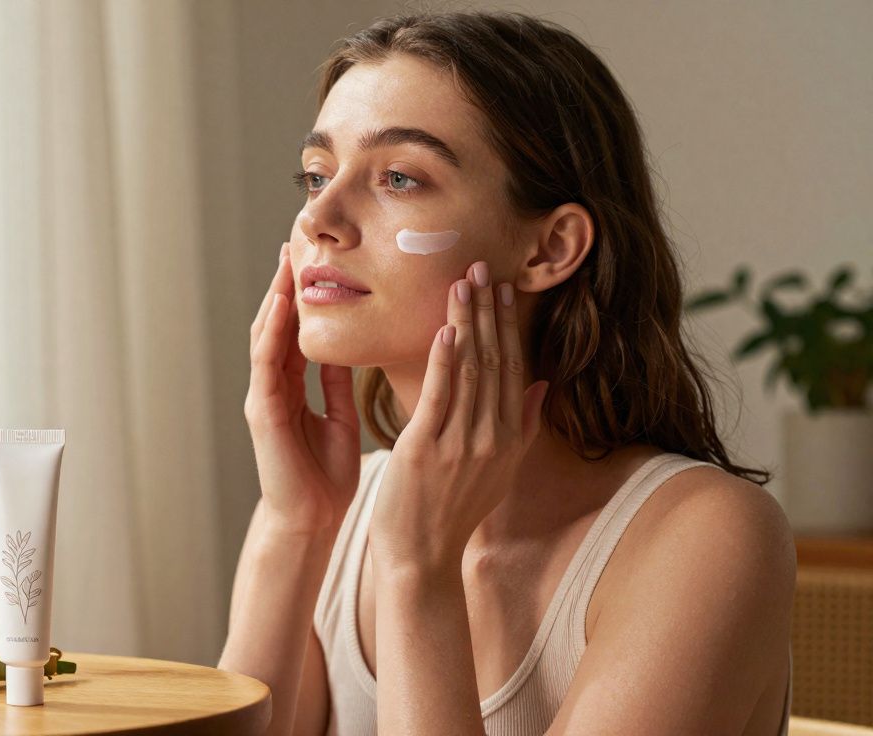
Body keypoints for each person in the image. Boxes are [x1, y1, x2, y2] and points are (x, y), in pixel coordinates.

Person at [218, 11, 795, 736]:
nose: (319, 220)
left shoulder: (702, 536)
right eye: (315, 175)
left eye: (399, 177)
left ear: (551, 247)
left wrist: (419, 573)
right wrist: (292, 526)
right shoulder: (339, 510)